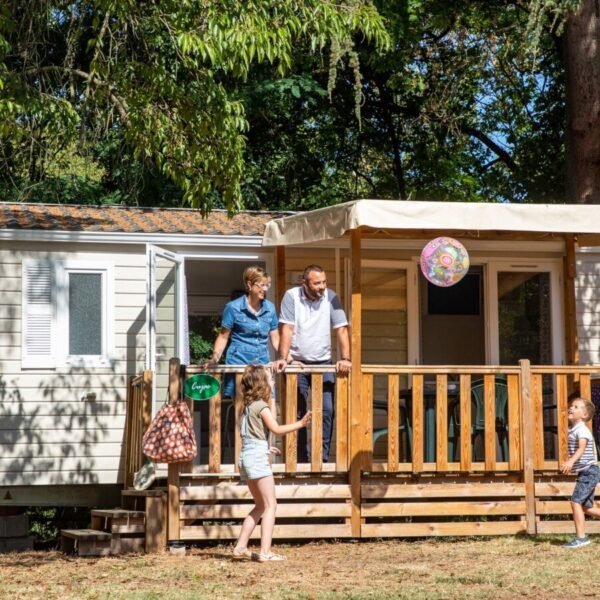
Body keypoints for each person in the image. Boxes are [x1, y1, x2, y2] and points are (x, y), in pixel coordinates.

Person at [232, 365, 311, 562]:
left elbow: (253, 434)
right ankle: (265, 551)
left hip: (247, 456)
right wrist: (300, 424)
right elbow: (275, 428)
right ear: (262, 383)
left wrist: (264, 448)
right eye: (270, 379)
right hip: (256, 457)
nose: (272, 381)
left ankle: (241, 546)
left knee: (259, 505)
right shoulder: (261, 406)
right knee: (270, 505)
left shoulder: (248, 406)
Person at [274, 264, 350, 462]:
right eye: (317, 283)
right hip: (298, 363)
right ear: (305, 283)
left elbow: (341, 329)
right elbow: (287, 329)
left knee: (326, 410)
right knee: (298, 412)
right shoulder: (291, 297)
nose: (322, 287)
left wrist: (346, 358)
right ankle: (301, 461)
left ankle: (322, 459)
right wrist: (284, 358)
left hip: (323, 362)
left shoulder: (331, 297)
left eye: (324, 282)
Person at [206, 266, 279, 398]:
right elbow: (223, 337)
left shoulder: (270, 308)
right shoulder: (233, 308)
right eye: (262, 285)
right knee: (240, 410)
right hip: (239, 363)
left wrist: (287, 357)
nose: (266, 289)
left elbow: (275, 337)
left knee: (266, 405)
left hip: (261, 364)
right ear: (249, 284)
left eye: (267, 285)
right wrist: (214, 358)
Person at [561, 396, 600, 548]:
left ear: (584, 415)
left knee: (575, 502)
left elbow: (582, 448)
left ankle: (581, 538)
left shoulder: (582, 429)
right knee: (586, 507)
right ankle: (581, 537)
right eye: (571, 406)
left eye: (576, 407)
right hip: (586, 472)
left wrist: (570, 461)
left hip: (589, 471)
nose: (571, 408)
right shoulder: (574, 429)